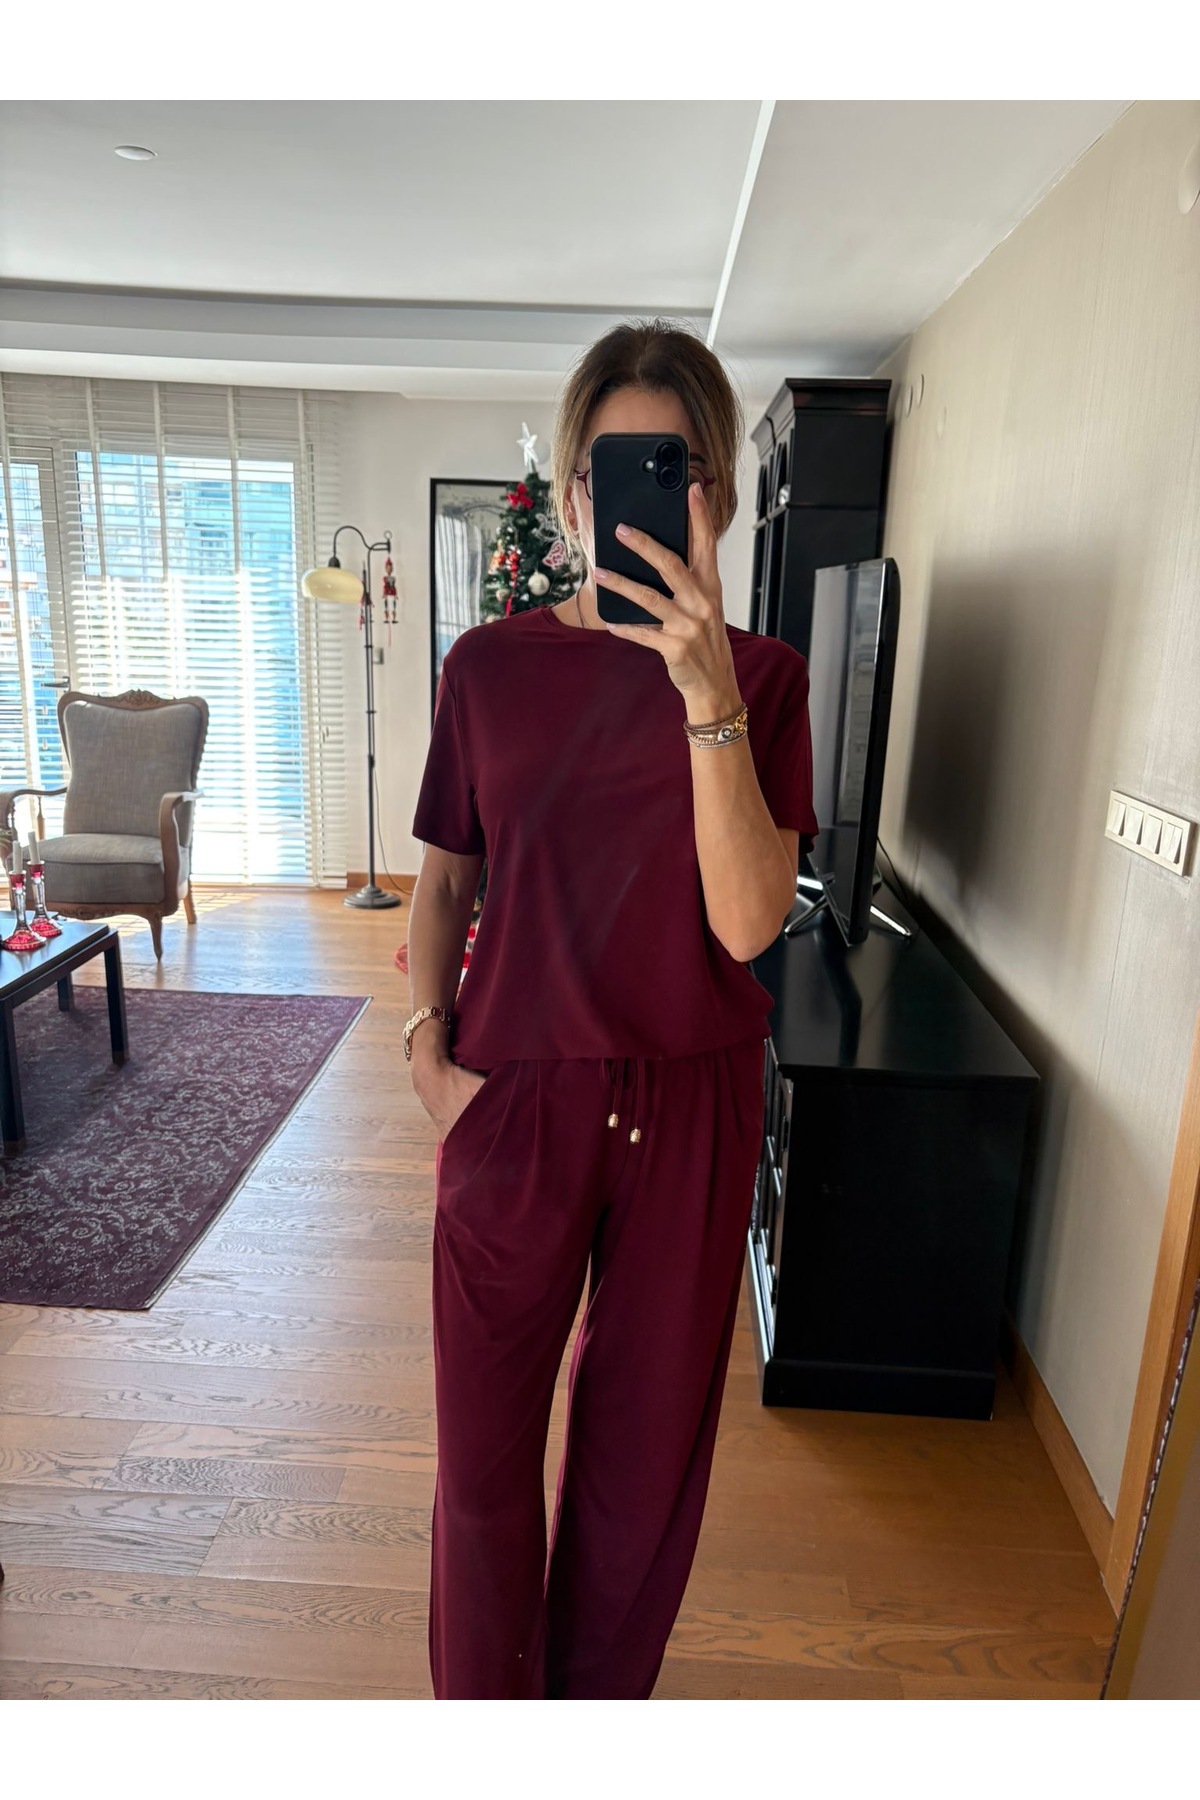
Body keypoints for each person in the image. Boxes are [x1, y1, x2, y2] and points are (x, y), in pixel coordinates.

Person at [406, 319, 818, 1700]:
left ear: (716, 496)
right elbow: (444, 881)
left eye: (675, 469)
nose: (639, 501)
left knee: (640, 1481)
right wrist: (426, 1050)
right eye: (611, 468)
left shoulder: (765, 681)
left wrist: (704, 692)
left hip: (691, 1107)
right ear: (574, 494)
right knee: (480, 1470)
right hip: (513, 1098)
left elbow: (749, 924)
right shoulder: (488, 669)